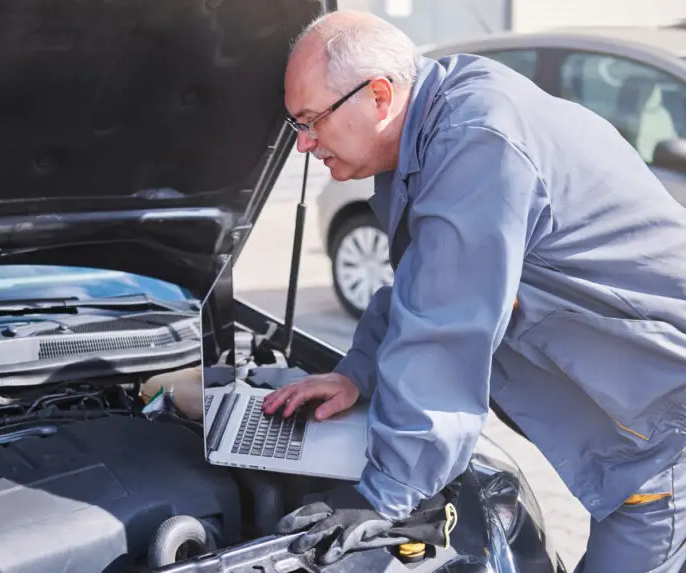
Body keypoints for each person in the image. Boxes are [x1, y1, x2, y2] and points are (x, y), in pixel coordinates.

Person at [262, 10, 686, 573]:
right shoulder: (437, 126)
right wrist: (356, 371)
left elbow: (446, 328)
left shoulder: (475, 140)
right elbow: (426, 281)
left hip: (662, 434)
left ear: (380, 96)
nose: (305, 144)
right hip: (635, 420)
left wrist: (382, 496)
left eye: (313, 120)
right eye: (298, 125)